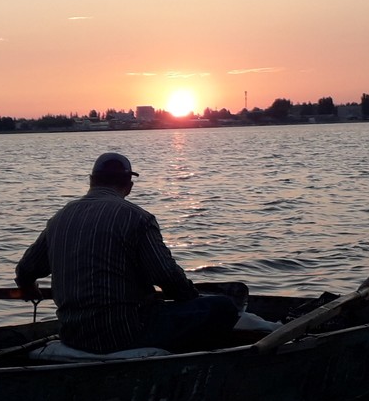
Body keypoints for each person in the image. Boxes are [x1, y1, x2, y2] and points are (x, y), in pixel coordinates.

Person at [15, 151, 239, 354]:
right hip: (125, 334)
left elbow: (25, 269)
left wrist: (27, 288)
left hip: (74, 335)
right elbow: (167, 277)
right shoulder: (138, 218)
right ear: (129, 186)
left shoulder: (60, 218)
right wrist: (190, 299)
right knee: (223, 307)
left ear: (91, 181)